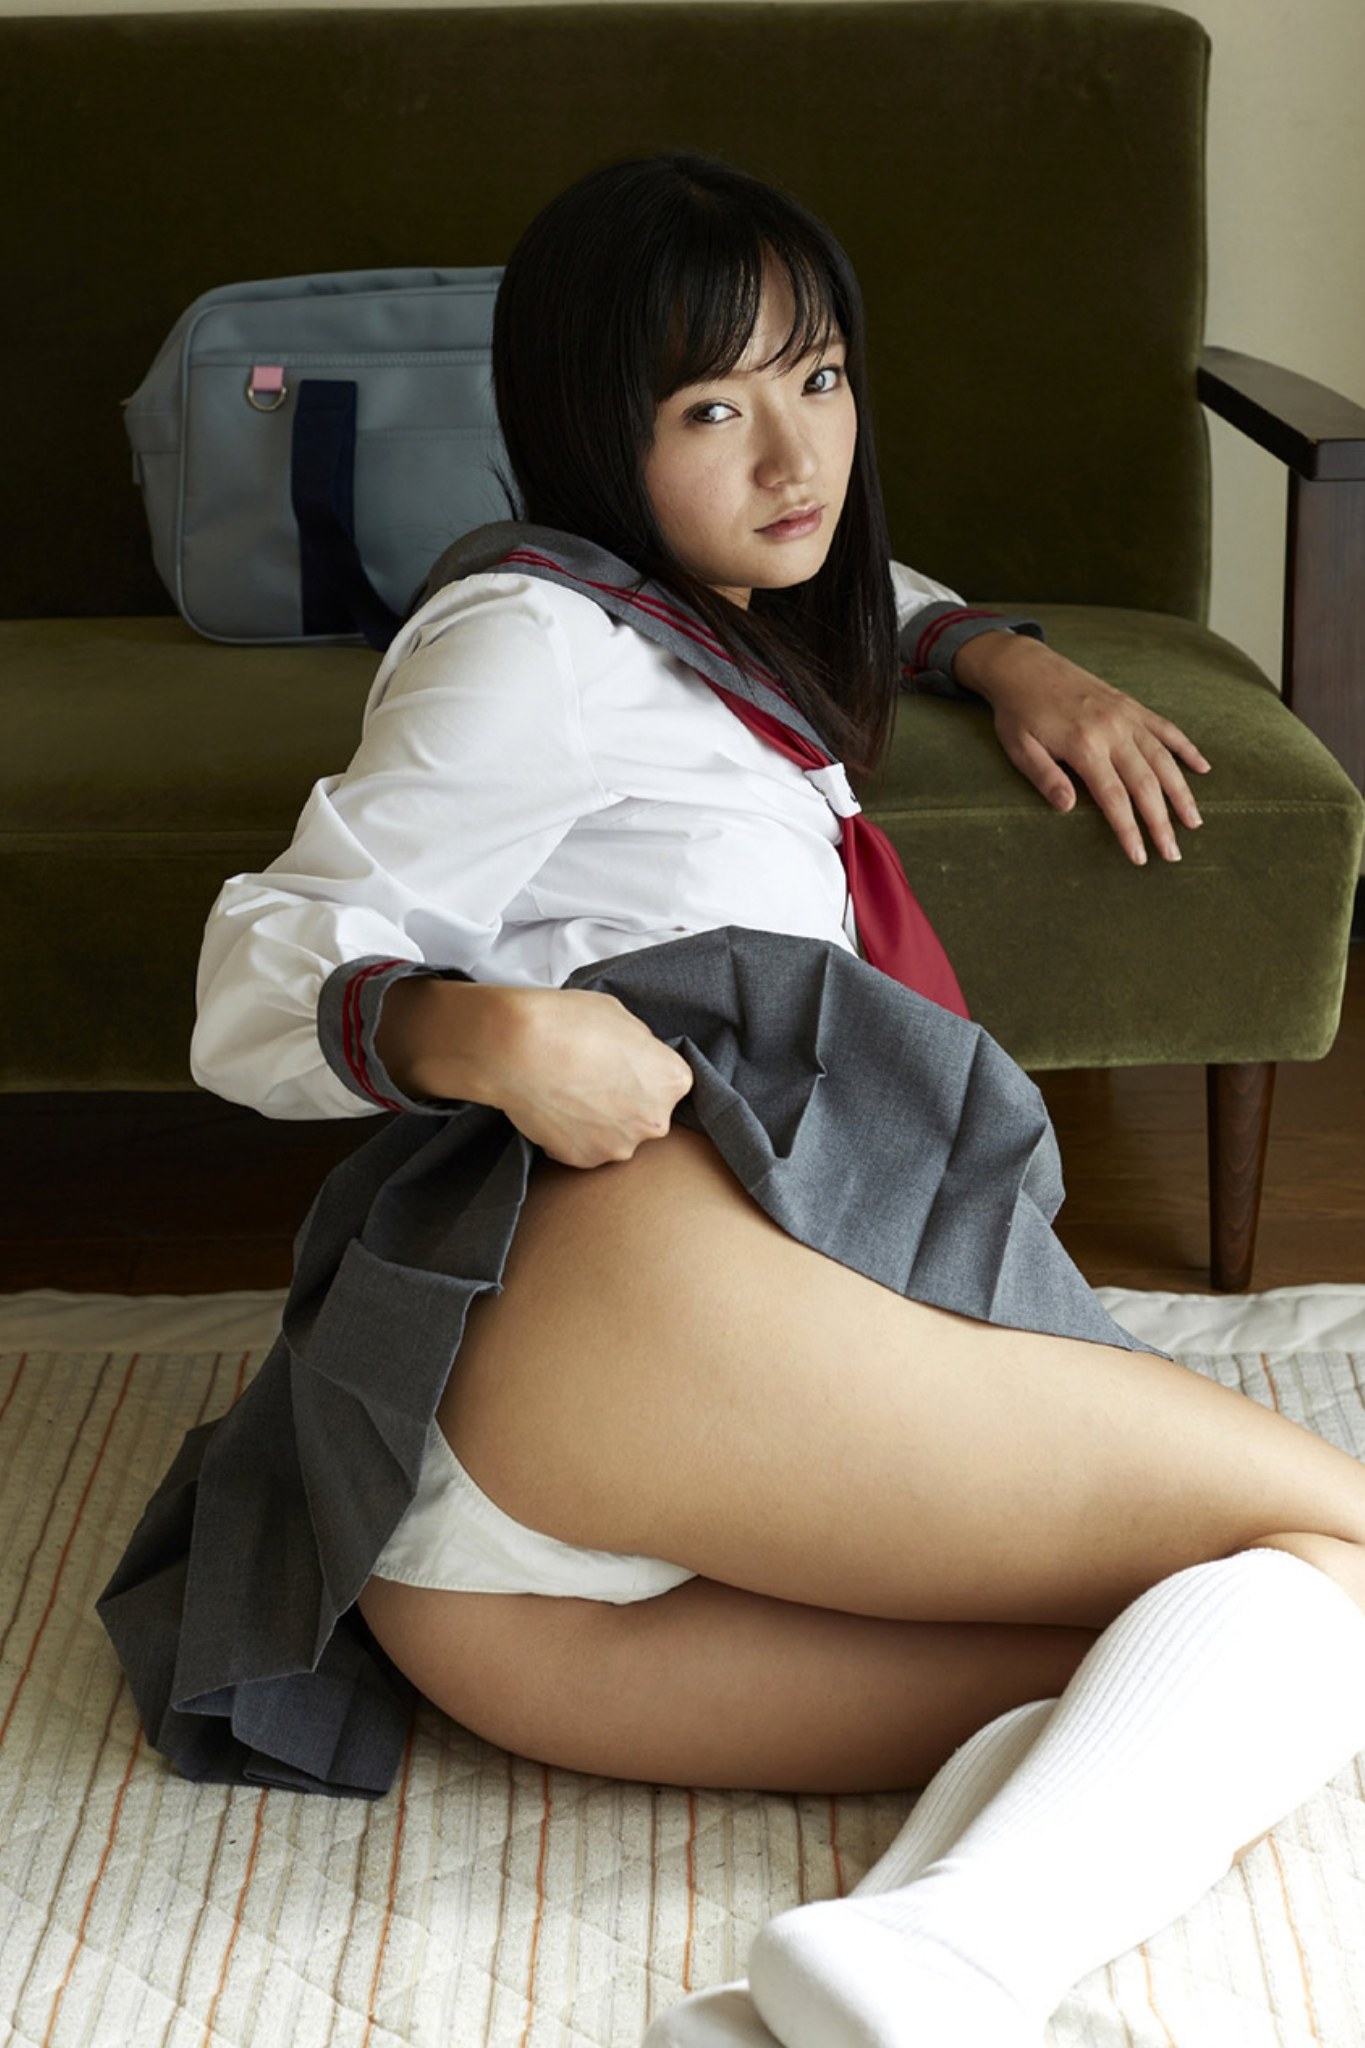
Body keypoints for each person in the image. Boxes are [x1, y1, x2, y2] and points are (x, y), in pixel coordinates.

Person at [97, 153, 1365, 2048]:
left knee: (1204, 1646)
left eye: (821, 380)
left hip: (489, 1608)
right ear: (587, 430)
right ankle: (940, 1959)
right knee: (1337, 1533)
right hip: (608, 1346)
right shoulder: (530, 639)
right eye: (711, 409)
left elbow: (848, 571)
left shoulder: (700, 613)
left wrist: (999, 654)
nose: (795, 457)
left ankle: (912, 1970)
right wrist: (476, 1032)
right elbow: (260, 962)